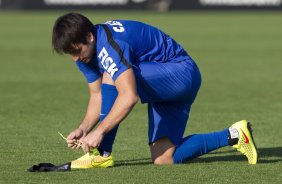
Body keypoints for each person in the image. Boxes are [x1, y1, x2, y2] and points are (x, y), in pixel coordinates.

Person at [51, 13, 258, 168]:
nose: (75, 58)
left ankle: (102, 154)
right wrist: (84, 128)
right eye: (69, 53)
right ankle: (234, 134)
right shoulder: (86, 54)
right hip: (164, 84)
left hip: (181, 73)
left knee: (113, 76)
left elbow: (129, 96)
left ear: (90, 37)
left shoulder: (108, 46)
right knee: (163, 158)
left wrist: (99, 133)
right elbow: (98, 95)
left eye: (76, 51)